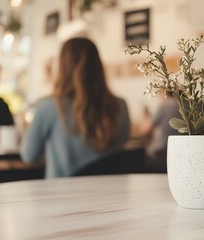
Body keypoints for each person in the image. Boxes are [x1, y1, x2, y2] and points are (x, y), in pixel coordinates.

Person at [21, 38, 130, 178]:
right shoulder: (120, 106)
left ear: (62, 67)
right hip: (110, 196)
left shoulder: (48, 106)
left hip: (60, 197)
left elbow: (29, 156)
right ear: (98, 65)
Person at [137, 92, 180, 172]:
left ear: (163, 93)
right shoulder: (189, 105)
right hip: (180, 153)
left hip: (161, 153)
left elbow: (145, 131)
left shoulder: (165, 106)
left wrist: (145, 115)